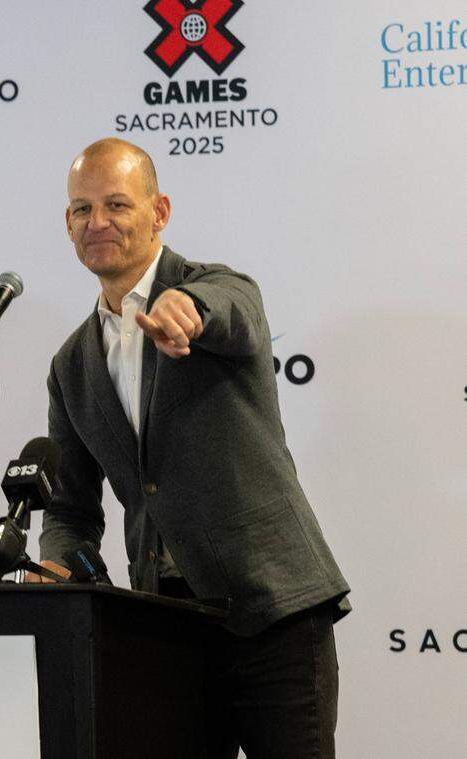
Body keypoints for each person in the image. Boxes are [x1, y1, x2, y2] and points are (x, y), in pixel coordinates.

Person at [37, 138, 350, 758]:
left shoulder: (215, 287)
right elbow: (70, 509)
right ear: (67, 225)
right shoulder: (71, 363)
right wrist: (57, 565)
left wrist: (189, 307)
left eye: (117, 205)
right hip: (164, 630)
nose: (98, 222)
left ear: (160, 212)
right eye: (81, 209)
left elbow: (236, 312)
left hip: (273, 614)